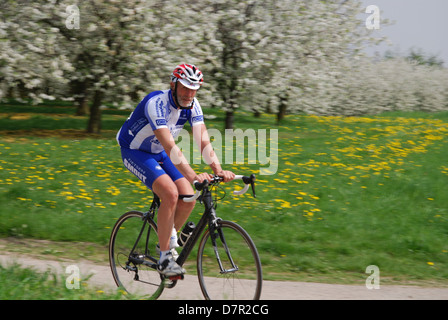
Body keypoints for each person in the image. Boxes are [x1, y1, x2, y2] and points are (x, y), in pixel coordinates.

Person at [116, 63, 235, 276]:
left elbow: (202, 139)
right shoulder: (156, 103)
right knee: (170, 193)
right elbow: (171, 146)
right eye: (185, 87)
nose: (189, 94)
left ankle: (166, 241)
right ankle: (164, 259)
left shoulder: (193, 104)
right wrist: (194, 176)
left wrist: (218, 169)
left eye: (194, 89)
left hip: (159, 151)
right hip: (135, 150)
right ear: (174, 84)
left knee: (188, 196)